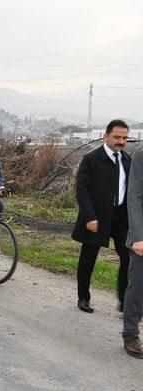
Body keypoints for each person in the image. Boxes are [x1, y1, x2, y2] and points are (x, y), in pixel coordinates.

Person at [72, 119, 131, 314]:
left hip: (121, 217)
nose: (121, 141)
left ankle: (124, 299)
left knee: (128, 256)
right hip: (96, 216)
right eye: (117, 137)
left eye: (124, 138)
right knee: (89, 258)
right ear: (106, 136)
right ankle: (83, 297)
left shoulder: (126, 159)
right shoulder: (91, 159)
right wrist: (89, 217)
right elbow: (81, 190)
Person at [123, 148, 143, 358]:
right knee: (138, 288)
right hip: (142, 238)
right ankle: (130, 334)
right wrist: (138, 236)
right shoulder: (141, 157)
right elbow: (134, 197)